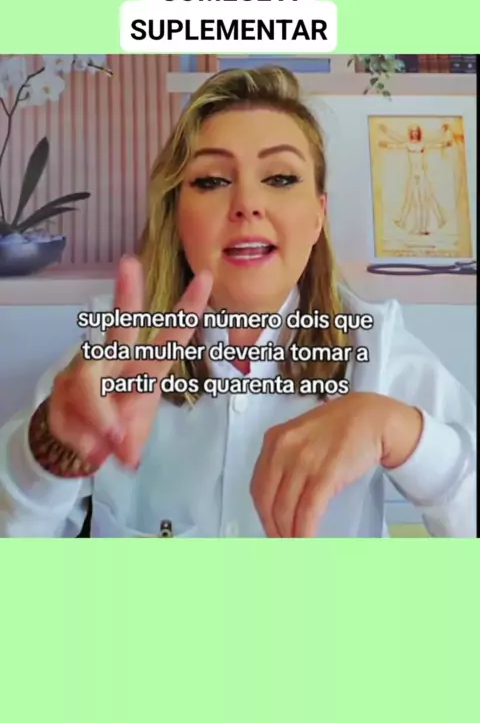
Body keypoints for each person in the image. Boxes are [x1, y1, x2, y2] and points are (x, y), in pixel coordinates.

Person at [0, 66, 476, 538]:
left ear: (318, 216)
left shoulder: (381, 351)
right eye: (212, 180)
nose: (247, 203)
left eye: (281, 178)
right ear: (177, 218)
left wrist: (401, 432)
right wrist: (45, 456)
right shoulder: (109, 355)